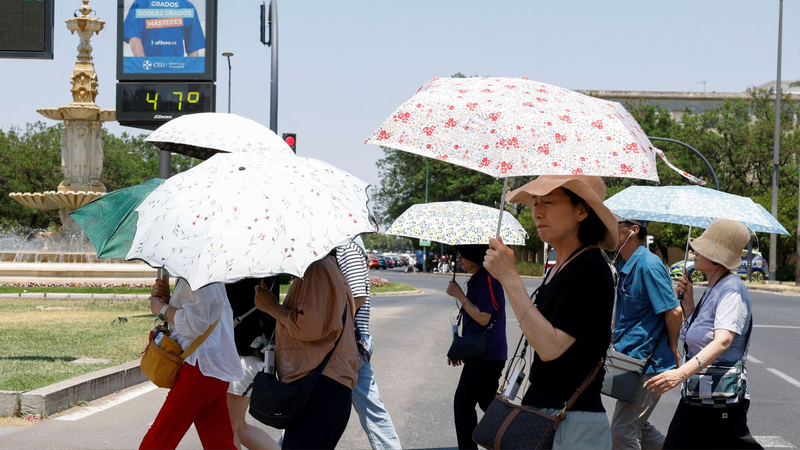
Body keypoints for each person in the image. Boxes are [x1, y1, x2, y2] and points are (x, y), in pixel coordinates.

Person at [483, 175, 618, 449]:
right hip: (545, 412)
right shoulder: (563, 264)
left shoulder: (590, 269)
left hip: (572, 422)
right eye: (534, 203)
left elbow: (550, 346)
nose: (537, 212)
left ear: (581, 210)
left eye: (549, 202)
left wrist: (510, 278)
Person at [646, 219, 762, 449]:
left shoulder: (731, 290)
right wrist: (689, 304)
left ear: (718, 257)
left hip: (720, 394)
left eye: (703, 248)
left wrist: (680, 374)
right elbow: (695, 335)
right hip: (701, 389)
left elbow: (723, 341)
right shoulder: (714, 286)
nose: (695, 251)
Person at [254, 252, 358, 449]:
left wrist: (273, 308)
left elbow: (309, 327)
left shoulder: (317, 268)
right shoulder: (325, 267)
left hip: (319, 387)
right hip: (323, 384)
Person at [140, 278, 243, 450]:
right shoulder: (205, 274)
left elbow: (194, 323)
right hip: (212, 368)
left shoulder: (200, 277)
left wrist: (161, 308)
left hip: (199, 368)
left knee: (158, 440)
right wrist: (167, 301)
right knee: (219, 443)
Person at [610, 217, 683, 450]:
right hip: (628, 360)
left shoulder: (648, 265)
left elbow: (673, 311)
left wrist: (673, 346)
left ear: (632, 230)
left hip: (647, 363)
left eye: (614, 225)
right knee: (637, 427)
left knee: (622, 433)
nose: (609, 230)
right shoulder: (625, 262)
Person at [337, 241, 402, 450]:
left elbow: (358, 295)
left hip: (346, 343)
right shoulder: (346, 243)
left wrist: (334, 330)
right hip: (350, 342)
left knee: (307, 405)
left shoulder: (346, 245)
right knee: (372, 411)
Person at [446, 244, 507, 450]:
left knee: (463, 402)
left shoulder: (487, 279)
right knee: (485, 400)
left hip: (487, 354)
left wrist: (459, 295)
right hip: (484, 352)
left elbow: (483, 317)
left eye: (463, 256)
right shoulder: (480, 278)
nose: (460, 260)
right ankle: (513, 438)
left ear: (474, 256)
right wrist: (462, 349)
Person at [224, 277, 281, 450]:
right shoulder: (270, 261)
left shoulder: (239, 267)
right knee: (239, 427)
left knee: (229, 428)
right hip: (258, 349)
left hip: (242, 353)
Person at [123, 0, 205, 57]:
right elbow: (133, 37)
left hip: (176, 72)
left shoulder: (187, 7)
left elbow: (193, 49)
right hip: (148, 72)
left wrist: (191, 79)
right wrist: (144, 67)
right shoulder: (142, 3)